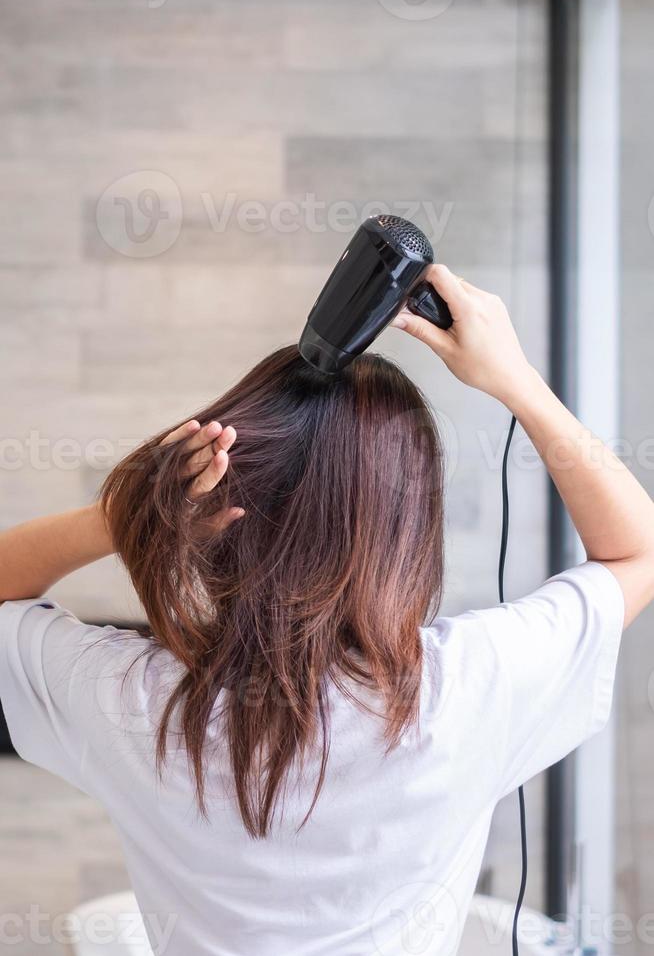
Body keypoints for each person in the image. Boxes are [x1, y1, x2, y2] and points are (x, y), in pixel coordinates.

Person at [1, 266, 652, 956]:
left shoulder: (135, 701)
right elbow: (636, 554)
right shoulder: (466, 687)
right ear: (408, 528)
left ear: (222, 519)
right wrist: (516, 380)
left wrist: (127, 515)